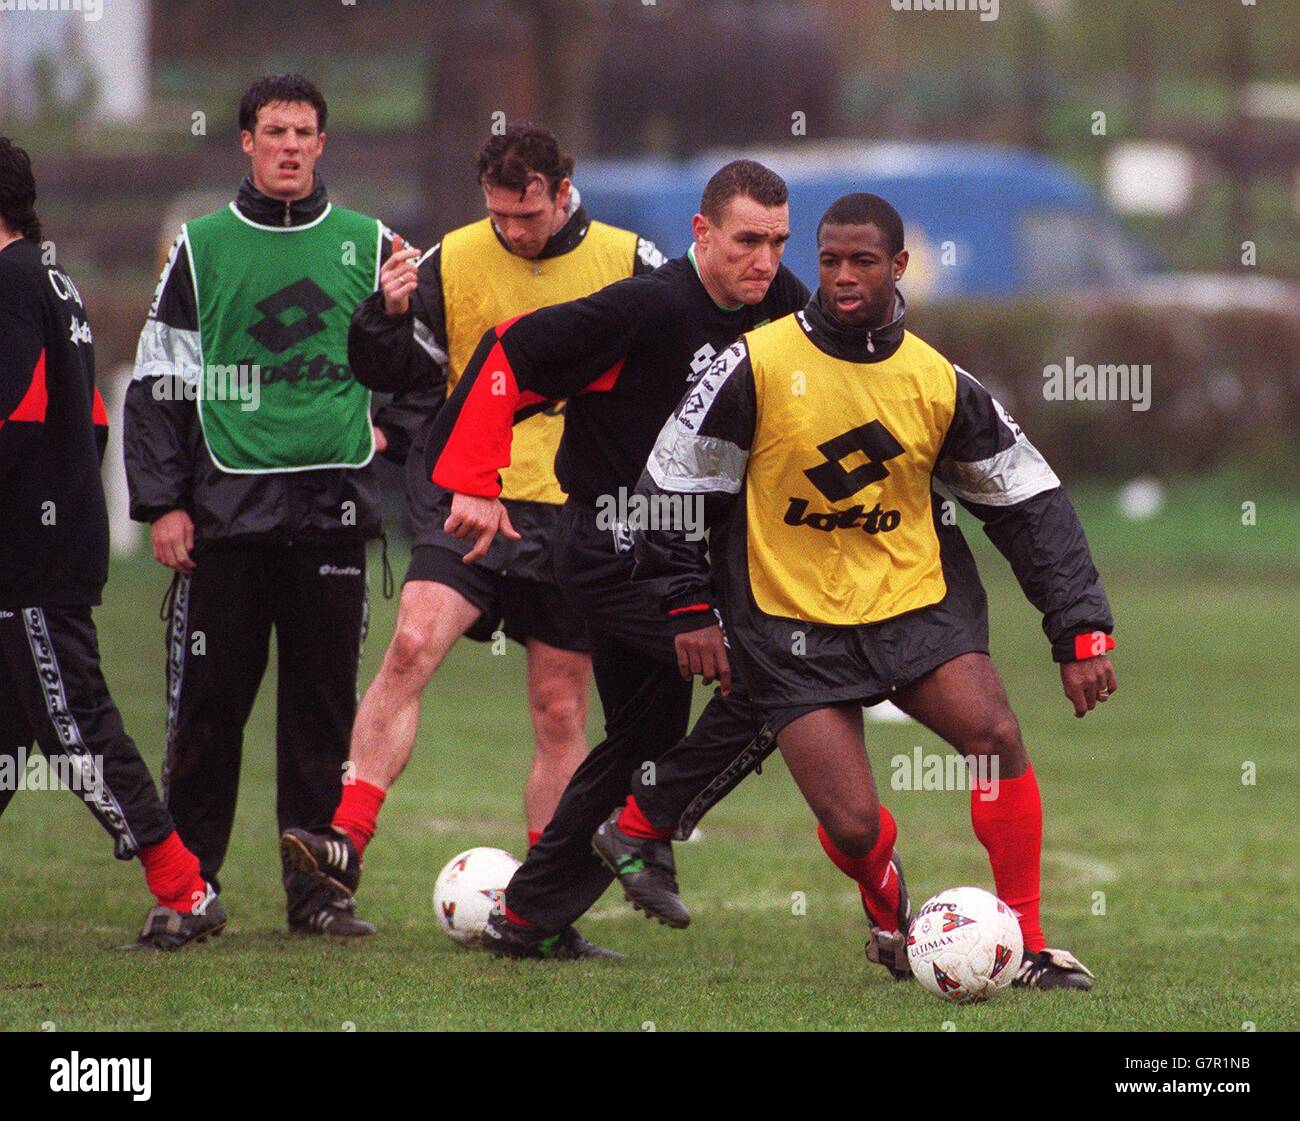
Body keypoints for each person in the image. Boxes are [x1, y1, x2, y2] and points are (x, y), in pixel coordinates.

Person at [422, 162, 914, 972]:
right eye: (747, 240)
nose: (765, 259)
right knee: (770, 680)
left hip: (688, 558)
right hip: (614, 546)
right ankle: (645, 827)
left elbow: (851, 347)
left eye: (778, 241)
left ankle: (531, 917)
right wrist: (475, 479)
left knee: (641, 742)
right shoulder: (646, 305)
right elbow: (513, 351)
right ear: (701, 233)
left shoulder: (777, 303)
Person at [621, 192, 1117, 990]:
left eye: (862, 261)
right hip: (790, 627)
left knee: (994, 735)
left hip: (917, 609)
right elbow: (671, 484)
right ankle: (892, 920)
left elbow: (1028, 504)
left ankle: (1025, 941)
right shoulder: (755, 364)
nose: (844, 276)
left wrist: (1080, 628)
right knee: (854, 825)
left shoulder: (938, 382)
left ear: (899, 266)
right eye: (829, 260)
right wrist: (685, 603)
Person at [280, 127, 663, 922]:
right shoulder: (449, 257)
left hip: (573, 516)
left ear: (564, 191)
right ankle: (347, 838)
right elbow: (386, 369)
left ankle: (540, 905)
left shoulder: (632, 260)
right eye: (498, 215)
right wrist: (383, 315)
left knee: (559, 709)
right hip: (468, 497)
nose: (511, 232)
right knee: (412, 642)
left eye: (526, 216)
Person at [123, 75, 433, 937]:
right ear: (246, 143)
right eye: (274, 131)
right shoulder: (203, 246)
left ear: (323, 144)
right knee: (209, 712)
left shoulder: (372, 245)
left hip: (333, 515)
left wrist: (390, 436)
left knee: (324, 712)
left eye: (304, 132)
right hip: (225, 517)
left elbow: (427, 364)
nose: (290, 145)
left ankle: (320, 895)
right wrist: (164, 504)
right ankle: (189, 891)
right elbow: (159, 383)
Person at [0, 135, 225, 951]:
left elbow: (14, 419)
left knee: (76, 726)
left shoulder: (11, 283)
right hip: (48, 544)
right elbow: (90, 417)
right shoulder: (51, 279)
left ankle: (185, 885)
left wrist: (41, 521)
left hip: (28, 559)